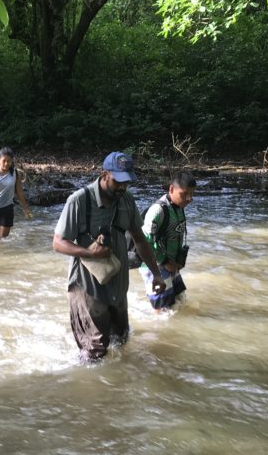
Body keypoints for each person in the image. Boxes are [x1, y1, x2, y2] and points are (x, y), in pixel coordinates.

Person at [52, 151, 166, 362]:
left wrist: (156, 274)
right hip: (88, 289)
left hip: (118, 286)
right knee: (95, 353)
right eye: (118, 181)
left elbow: (140, 240)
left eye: (127, 182)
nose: (123, 187)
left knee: (121, 341)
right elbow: (58, 243)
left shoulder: (127, 200)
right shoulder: (79, 201)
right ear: (104, 174)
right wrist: (89, 252)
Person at [138, 172, 196, 310]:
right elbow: (144, 242)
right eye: (184, 194)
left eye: (192, 194)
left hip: (171, 264)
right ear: (171, 189)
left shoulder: (179, 207)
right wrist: (164, 261)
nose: (189, 199)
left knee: (180, 300)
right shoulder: (158, 211)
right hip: (155, 266)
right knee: (163, 311)